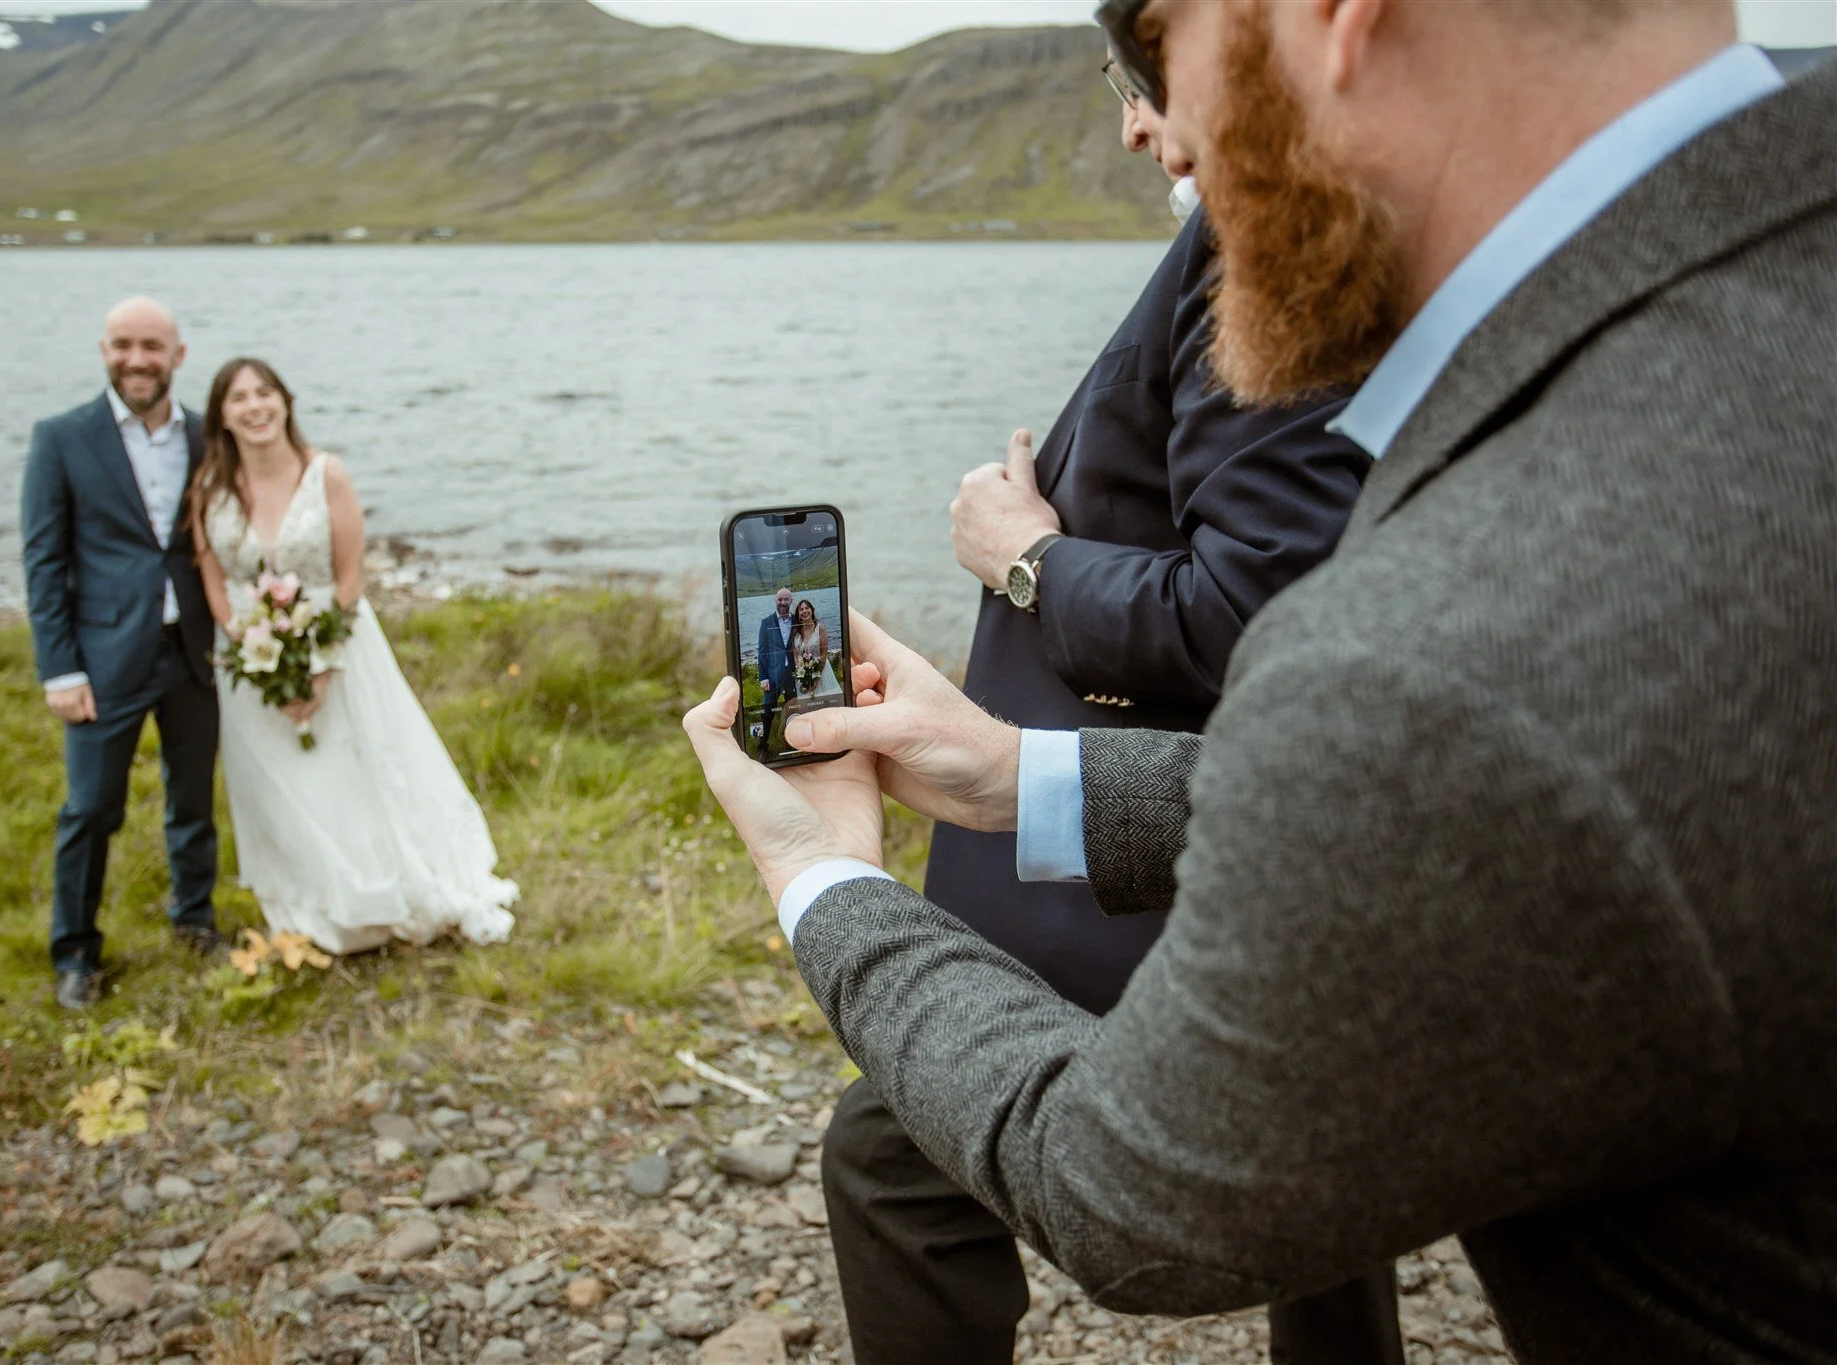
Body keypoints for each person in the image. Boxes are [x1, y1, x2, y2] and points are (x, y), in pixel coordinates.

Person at [688, 0, 1837, 1357]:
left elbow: (1134, 1198)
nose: (1153, 130)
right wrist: (1021, 781)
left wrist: (828, 881)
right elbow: (1497, 805)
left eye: (1154, 46)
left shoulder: (1461, 646)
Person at [820, 62, 1390, 1365]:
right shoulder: (1297, 230)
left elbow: (1255, 600)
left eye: (1140, 78)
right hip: (1195, 836)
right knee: (1333, 1169)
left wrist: (1026, 556)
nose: (1131, 123)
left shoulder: (1266, 247)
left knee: (893, 1145)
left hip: (1144, 872)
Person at [190, 358, 518, 954]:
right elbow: (212, 580)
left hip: (334, 641)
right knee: (279, 780)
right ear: (222, 416)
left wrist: (318, 664)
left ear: (285, 402)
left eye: (264, 392)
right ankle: (309, 899)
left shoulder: (326, 474)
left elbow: (348, 576)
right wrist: (250, 647)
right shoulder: (209, 486)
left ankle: (383, 891)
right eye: (239, 398)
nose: (255, 407)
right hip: (247, 655)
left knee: (354, 771)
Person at [21, 296, 222, 1011]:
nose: (137, 360)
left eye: (151, 346)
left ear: (178, 355)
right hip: (103, 659)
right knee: (90, 809)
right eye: (122, 345)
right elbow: (43, 561)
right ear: (103, 349)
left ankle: (194, 918)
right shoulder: (62, 438)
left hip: (194, 654)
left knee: (192, 800)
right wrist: (61, 667)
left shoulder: (208, 437)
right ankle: (75, 950)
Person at [752, 586, 798, 759]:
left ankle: (791, 743)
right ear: (775, 601)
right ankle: (761, 747)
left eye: (786, 599)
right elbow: (762, 652)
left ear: (791, 601)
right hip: (772, 676)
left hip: (792, 675)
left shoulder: (797, 620)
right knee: (766, 712)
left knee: (792, 710)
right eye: (780, 600)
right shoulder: (766, 623)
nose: (783, 603)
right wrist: (763, 677)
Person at [789, 599, 840, 700]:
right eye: (801, 609)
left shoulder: (820, 628)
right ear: (798, 614)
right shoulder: (795, 631)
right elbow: (795, 654)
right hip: (803, 674)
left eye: (807, 608)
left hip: (821, 671)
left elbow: (824, 654)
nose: (804, 611)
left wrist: (816, 678)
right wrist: (800, 670)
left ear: (812, 610)